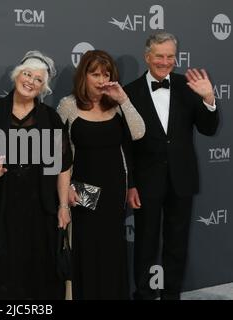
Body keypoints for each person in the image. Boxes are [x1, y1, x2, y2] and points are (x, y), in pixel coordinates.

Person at [124, 31, 219, 300]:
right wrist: (130, 184)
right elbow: (126, 147)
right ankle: (143, 294)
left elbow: (209, 129)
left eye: (170, 56)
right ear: (147, 57)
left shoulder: (188, 86)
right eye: (159, 56)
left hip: (182, 178)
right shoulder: (129, 92)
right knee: (145, 243)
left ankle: (171, 295)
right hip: (146, 181)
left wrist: (209, 99)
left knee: (177, 244)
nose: (165, 62)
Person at [0, 50, 72, 299]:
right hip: (0, 202)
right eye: (27, 74)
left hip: (40, 206)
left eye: (38, 79)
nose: (30, 81)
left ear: (44, 87)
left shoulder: (51, 119)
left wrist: (63, 206)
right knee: (0, 263)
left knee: (38, 264)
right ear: (16, 76)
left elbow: (62, 166)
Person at [57, 50, 145, 300]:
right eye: (94, 74)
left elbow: (138, 133)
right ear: (83, 75)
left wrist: (123, 99)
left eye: (105, 74)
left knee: (111, 251)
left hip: (114, 189)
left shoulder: (116, 105)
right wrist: (67, 190)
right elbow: (56, 154)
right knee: (87, 251)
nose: (100, 79)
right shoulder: (68, 105)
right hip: (83, 191)